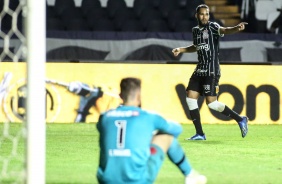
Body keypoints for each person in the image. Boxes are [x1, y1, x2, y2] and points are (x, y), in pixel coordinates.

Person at [96, 77, 207, 184]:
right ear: (139, 97)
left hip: (106, 180)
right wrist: (151, 133)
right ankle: (191, 175)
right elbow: (177, 129)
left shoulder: (105, 117)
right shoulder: (148, 117)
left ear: (120, 96)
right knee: (167, 137)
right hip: (138, 180)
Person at [172, 4, 248, 141]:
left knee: (212, 103)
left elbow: (224, 29)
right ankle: (200, 133)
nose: (205, 16)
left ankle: (240, 119)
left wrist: (236, 28)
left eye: (207, 14)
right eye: (202, 14)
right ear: (197, 15)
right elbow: (196, 46)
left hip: (211, 70)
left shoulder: (212, 27)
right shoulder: (195, 30)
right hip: (199, 69)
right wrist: (181, 49)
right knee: (190, 97)